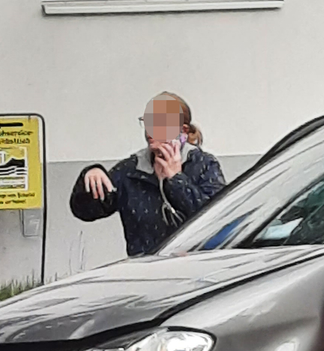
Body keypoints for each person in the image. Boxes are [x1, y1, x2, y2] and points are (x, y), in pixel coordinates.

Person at [70, 93, 226, 256]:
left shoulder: (203, 164)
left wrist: (176, 179)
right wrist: (91, 175)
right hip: (145, 270)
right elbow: (86, 211)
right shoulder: (130, 170)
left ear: (183, 130)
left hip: (193, 269)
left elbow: (216, 218)